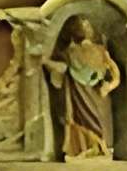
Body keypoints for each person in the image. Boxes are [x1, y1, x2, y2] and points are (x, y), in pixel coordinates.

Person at [42, 14, 121, 158]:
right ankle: (83, 149)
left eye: (87, 26)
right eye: (81, 26)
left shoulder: (101, 49)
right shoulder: (69, 52)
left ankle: (100, 148)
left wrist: (110, 85)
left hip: (99, 96)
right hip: (77, 93)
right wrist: (46, 62)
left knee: (100, 123)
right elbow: (62, 68)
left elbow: (114, 70)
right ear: (73, 31)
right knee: (78, 122)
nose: (85, 29)